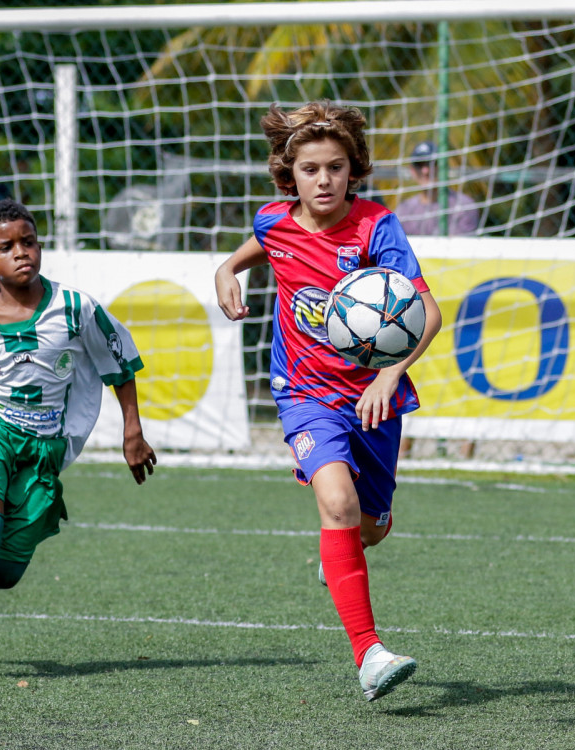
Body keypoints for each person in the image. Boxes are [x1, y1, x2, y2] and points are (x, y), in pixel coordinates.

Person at [213, 101, 442, 702]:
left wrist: (391, 373)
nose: (324, 180)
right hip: (305, 393)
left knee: (365, 525)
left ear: (353, 170)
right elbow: (255, 249)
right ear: (291, 174)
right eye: (311, 169)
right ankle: (369, 654)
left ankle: (361, 535)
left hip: (373, 396)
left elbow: (431, 312)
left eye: (336, 167)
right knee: (335, 502)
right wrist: (225, 272)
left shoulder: (375, 227)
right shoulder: (273, 222)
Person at [0, 198, 157, 680]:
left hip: (45, 445)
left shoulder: (76, 308)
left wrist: (132, 432)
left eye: (29, 242)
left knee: (3, 574)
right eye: (6, 247)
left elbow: (118, 364)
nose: (22, 253)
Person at [394, 140, 479, 236]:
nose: (425, 171)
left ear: (443, 166)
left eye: (431, 164)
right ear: (412, 170)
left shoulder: (463, 206)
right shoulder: (404, 210)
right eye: (419, 165)